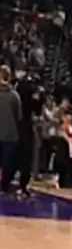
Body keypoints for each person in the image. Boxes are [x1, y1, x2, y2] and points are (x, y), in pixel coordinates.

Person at [0, 66, 22, 194]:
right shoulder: (15, 95)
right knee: (7, 163)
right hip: (10, 134)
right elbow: (19, 116)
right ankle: (5, 186)